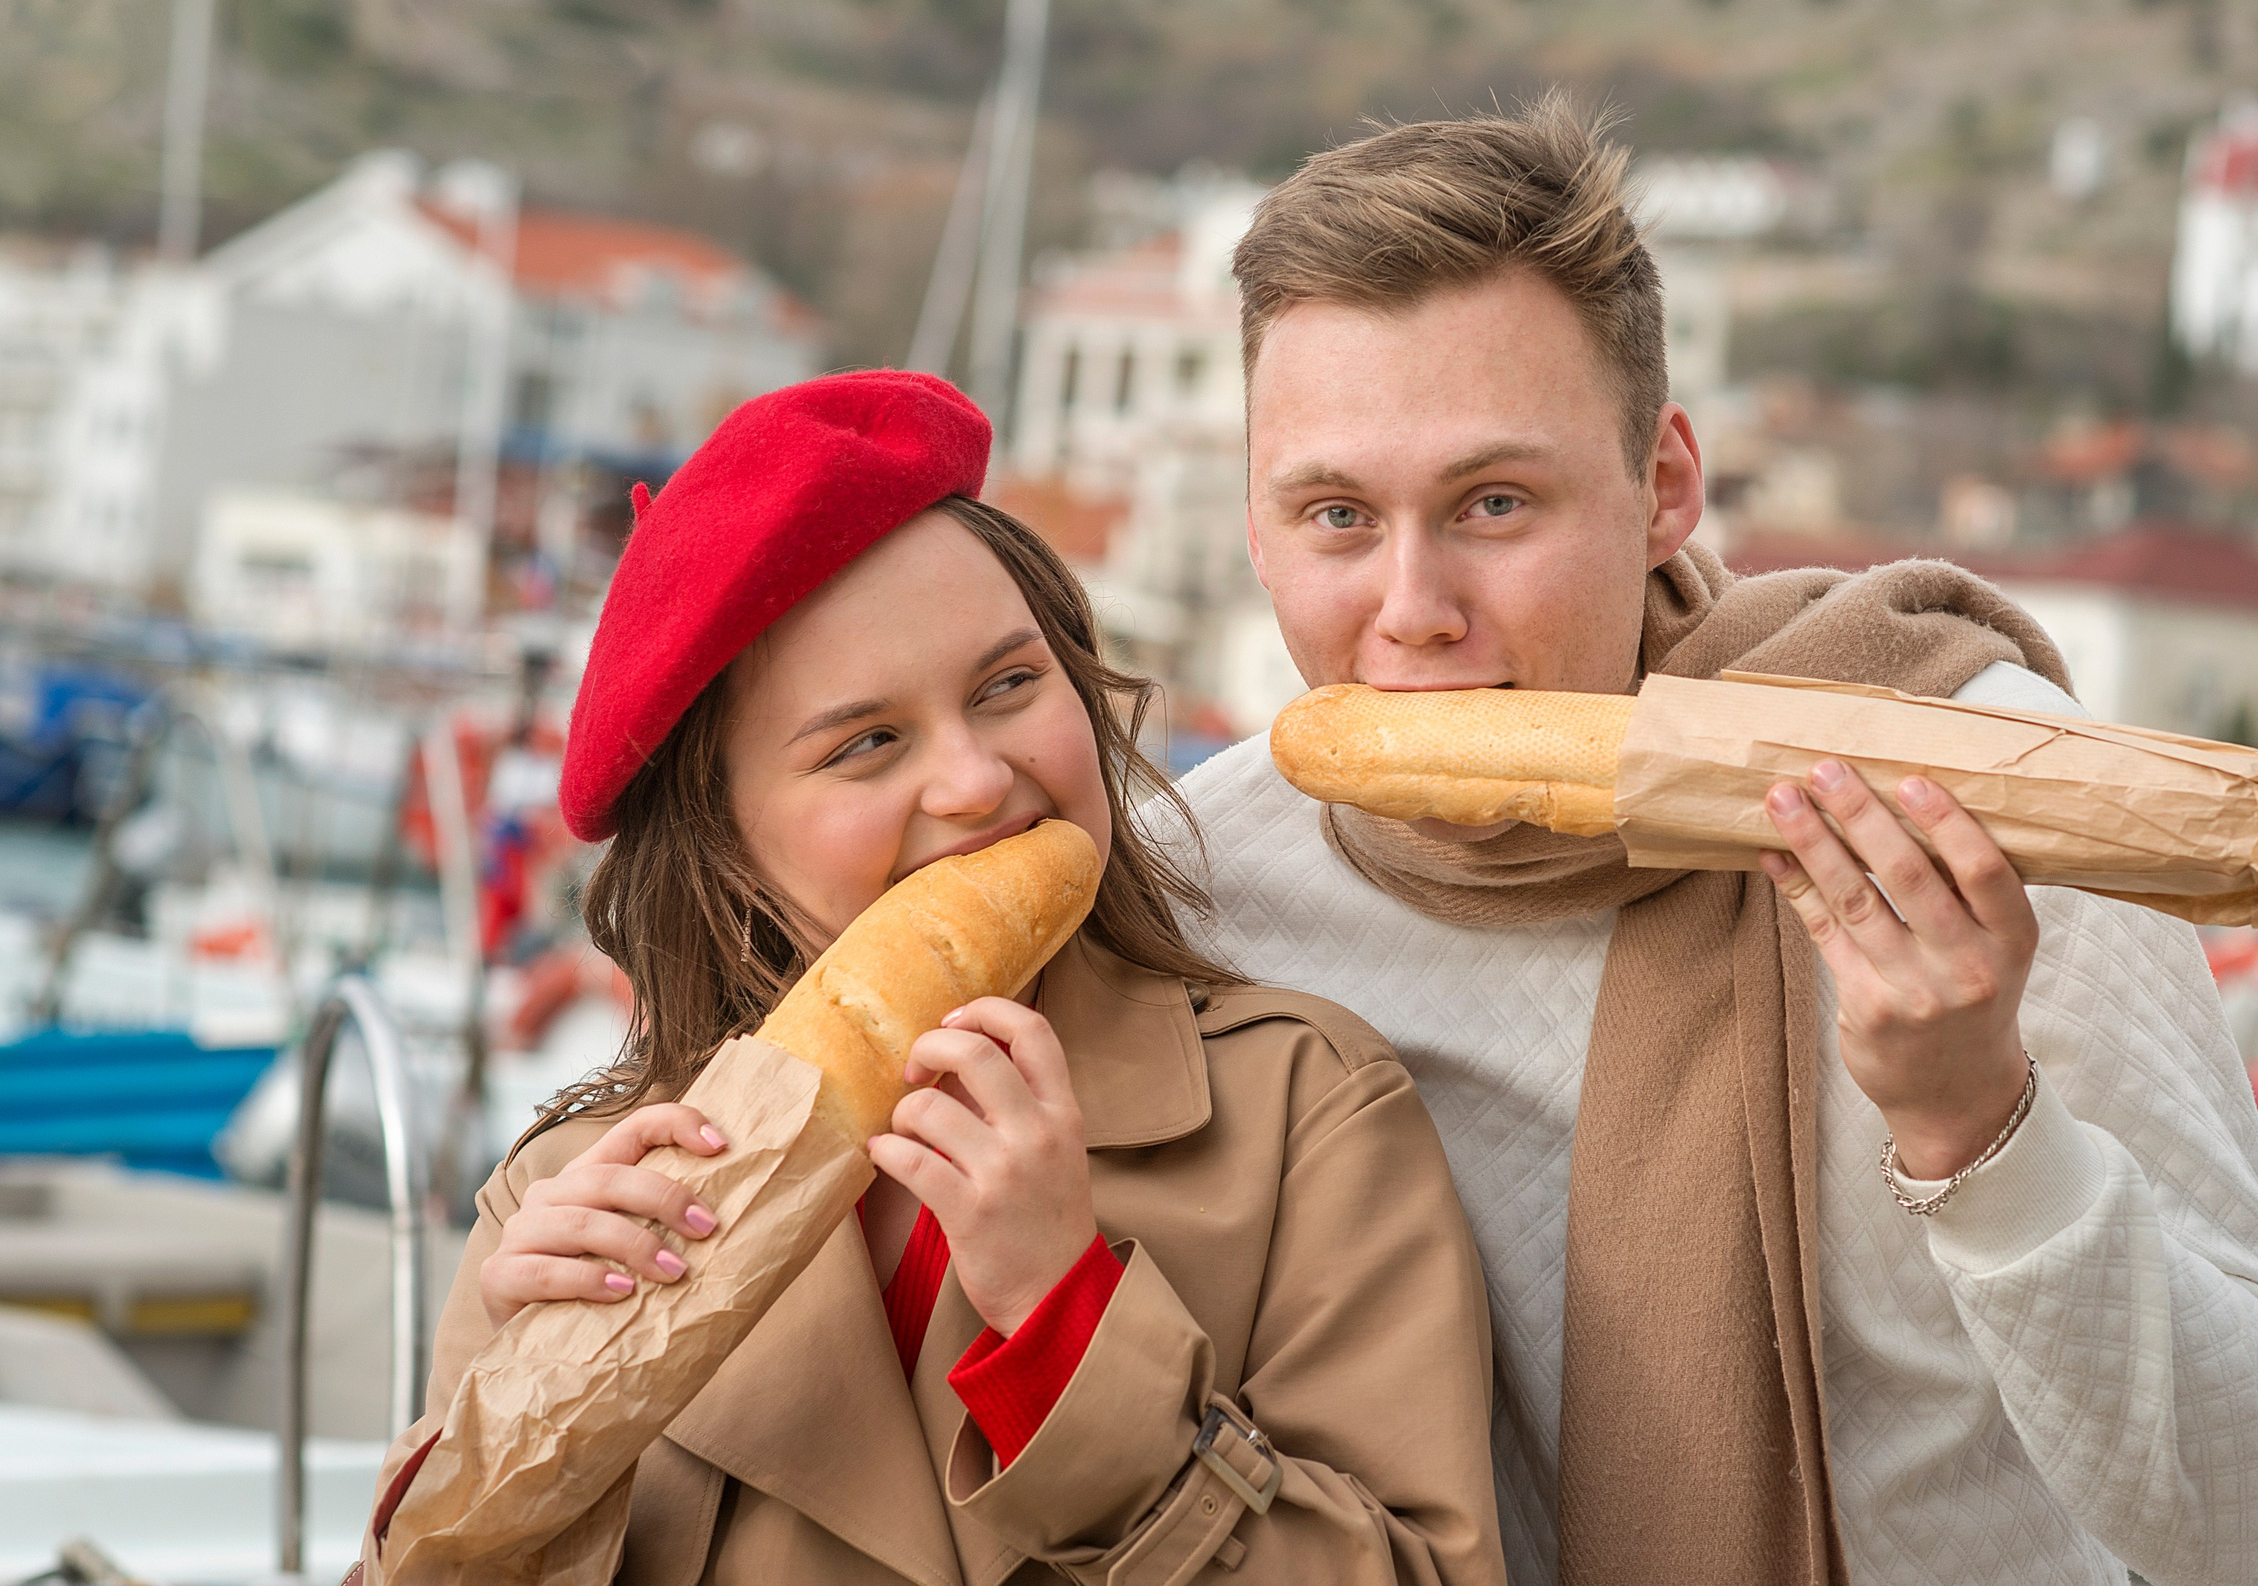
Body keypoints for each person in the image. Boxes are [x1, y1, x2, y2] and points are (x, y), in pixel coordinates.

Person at [1173, 98, 2258, 1586]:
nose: (1414, 611)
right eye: (1337, 516)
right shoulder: (1199, 891)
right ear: (1254, 530)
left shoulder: (1966, 794)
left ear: (1665, 485)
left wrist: (1980, 1125)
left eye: (1495, 502)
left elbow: (2247, 1520)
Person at [362, 372, 1503, 1585]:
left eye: (1009, 685)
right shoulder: (564, 1193)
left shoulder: (1305, 1111)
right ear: (723, 838)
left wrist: (1066, 1332)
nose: (974, 780)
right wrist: (530, 1414)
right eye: (868, 743)